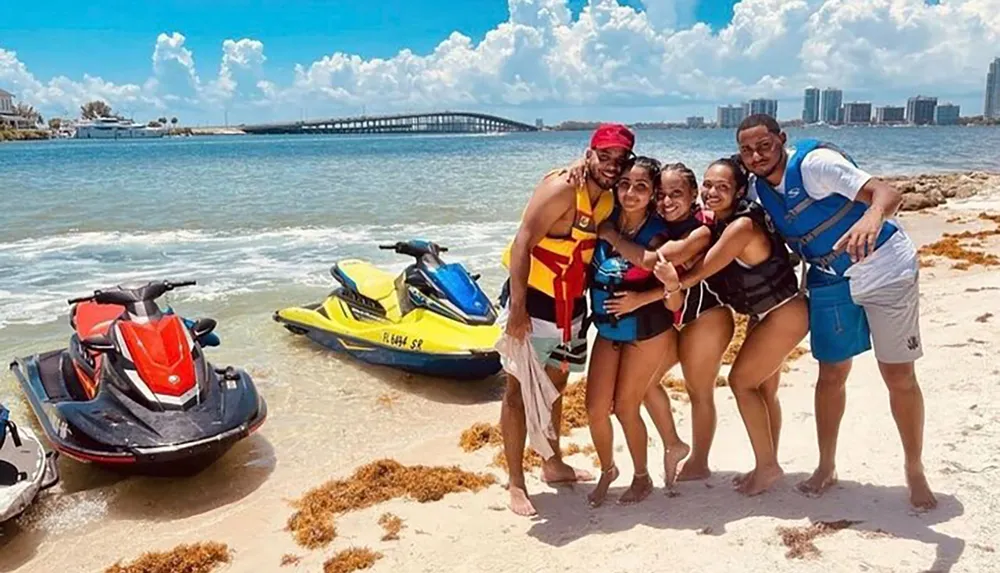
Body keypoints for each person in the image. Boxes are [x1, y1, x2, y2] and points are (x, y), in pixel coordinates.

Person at [735, 114, 937, 509]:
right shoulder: (759, 192)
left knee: (897, 374)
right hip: (829, 278)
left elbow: (886, 192)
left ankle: (914, 467)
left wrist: (872, 216)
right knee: (831, 373)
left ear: (782, 140)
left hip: (886, 270)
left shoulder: (816, 166)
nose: (756, 155)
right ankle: (827, 466)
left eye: (764, 146)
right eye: (747, 149)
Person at [497, 123, 635, 516]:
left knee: (556, 384)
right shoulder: (562, 187)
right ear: (588, 153)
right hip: (534, 302)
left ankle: (551, 462)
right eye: (602, 156)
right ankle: (515, 481)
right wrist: (518, 309)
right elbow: (523, 241)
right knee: (518, 391)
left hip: (570, 308)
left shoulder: (610, 195)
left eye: (619, 158)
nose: (611, 164)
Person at [655, 156, 808, 496]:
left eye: (722, 187)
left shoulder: (740, 227)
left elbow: (704, 271)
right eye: (708, 185)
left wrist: (674, 283)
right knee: (764, 390)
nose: (711, 192)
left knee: (741, 382)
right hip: (767, 313)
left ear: (740, 191)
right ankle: (766, 462)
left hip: (784, 312)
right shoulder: (723, 222)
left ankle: (767, 466)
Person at [595, 163, 735, 483]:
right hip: (677, 318)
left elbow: (655, 261)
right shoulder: (660, 225)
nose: (667, 201)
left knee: (698, 390)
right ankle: (674, 444)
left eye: (676, 194)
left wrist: (611, 235)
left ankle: (699, 461)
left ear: (693, 196)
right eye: (661, 194)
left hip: (706, 317)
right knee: (644, 386)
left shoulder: (699, 232)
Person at [584, 156, 689, 507]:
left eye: (641, 187)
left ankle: (641, 477)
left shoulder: (656, 231)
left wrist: (612, 235)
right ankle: (607, 469)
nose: (630, 192)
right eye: (625, 183)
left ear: (652, 194)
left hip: (647, 331)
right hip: (608, 329)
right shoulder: (605, 217)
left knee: (626, 408)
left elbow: (656, 267)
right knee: (596, 410)